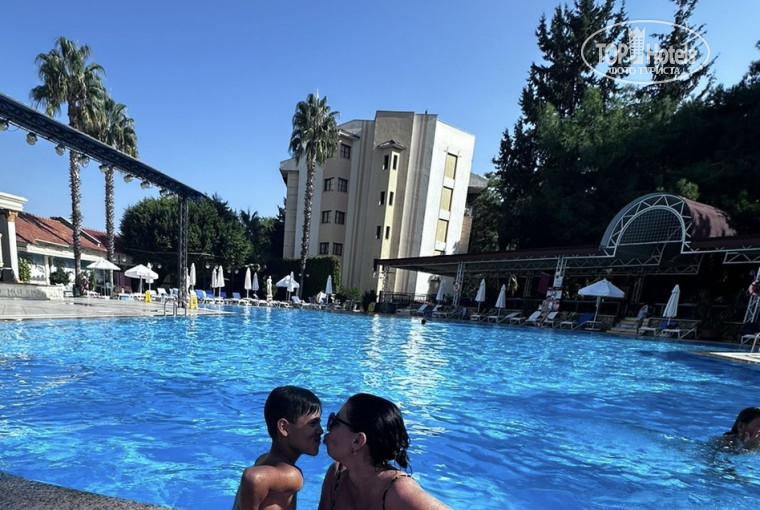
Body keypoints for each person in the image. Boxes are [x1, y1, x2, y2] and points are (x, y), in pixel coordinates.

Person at [318, 393, 452, 510]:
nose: (326, 428)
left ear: (357, 441)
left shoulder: (397, 491)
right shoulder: (337, 475)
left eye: (335, 421)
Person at [233, 386, 323, 510]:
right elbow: (253, 477)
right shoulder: (291, 475)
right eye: (313, 423)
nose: (320, 430)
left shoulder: (263, 460)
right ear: (284, 427)